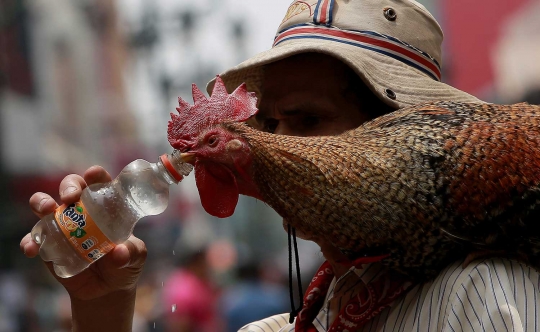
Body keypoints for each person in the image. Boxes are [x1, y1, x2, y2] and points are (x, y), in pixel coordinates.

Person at [20, 0, 540, 331]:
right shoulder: (298, 322)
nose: (277, 145)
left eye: (308, 120)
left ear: (391, 134)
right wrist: (103, 306)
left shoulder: (480, 294)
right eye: (270, 124)